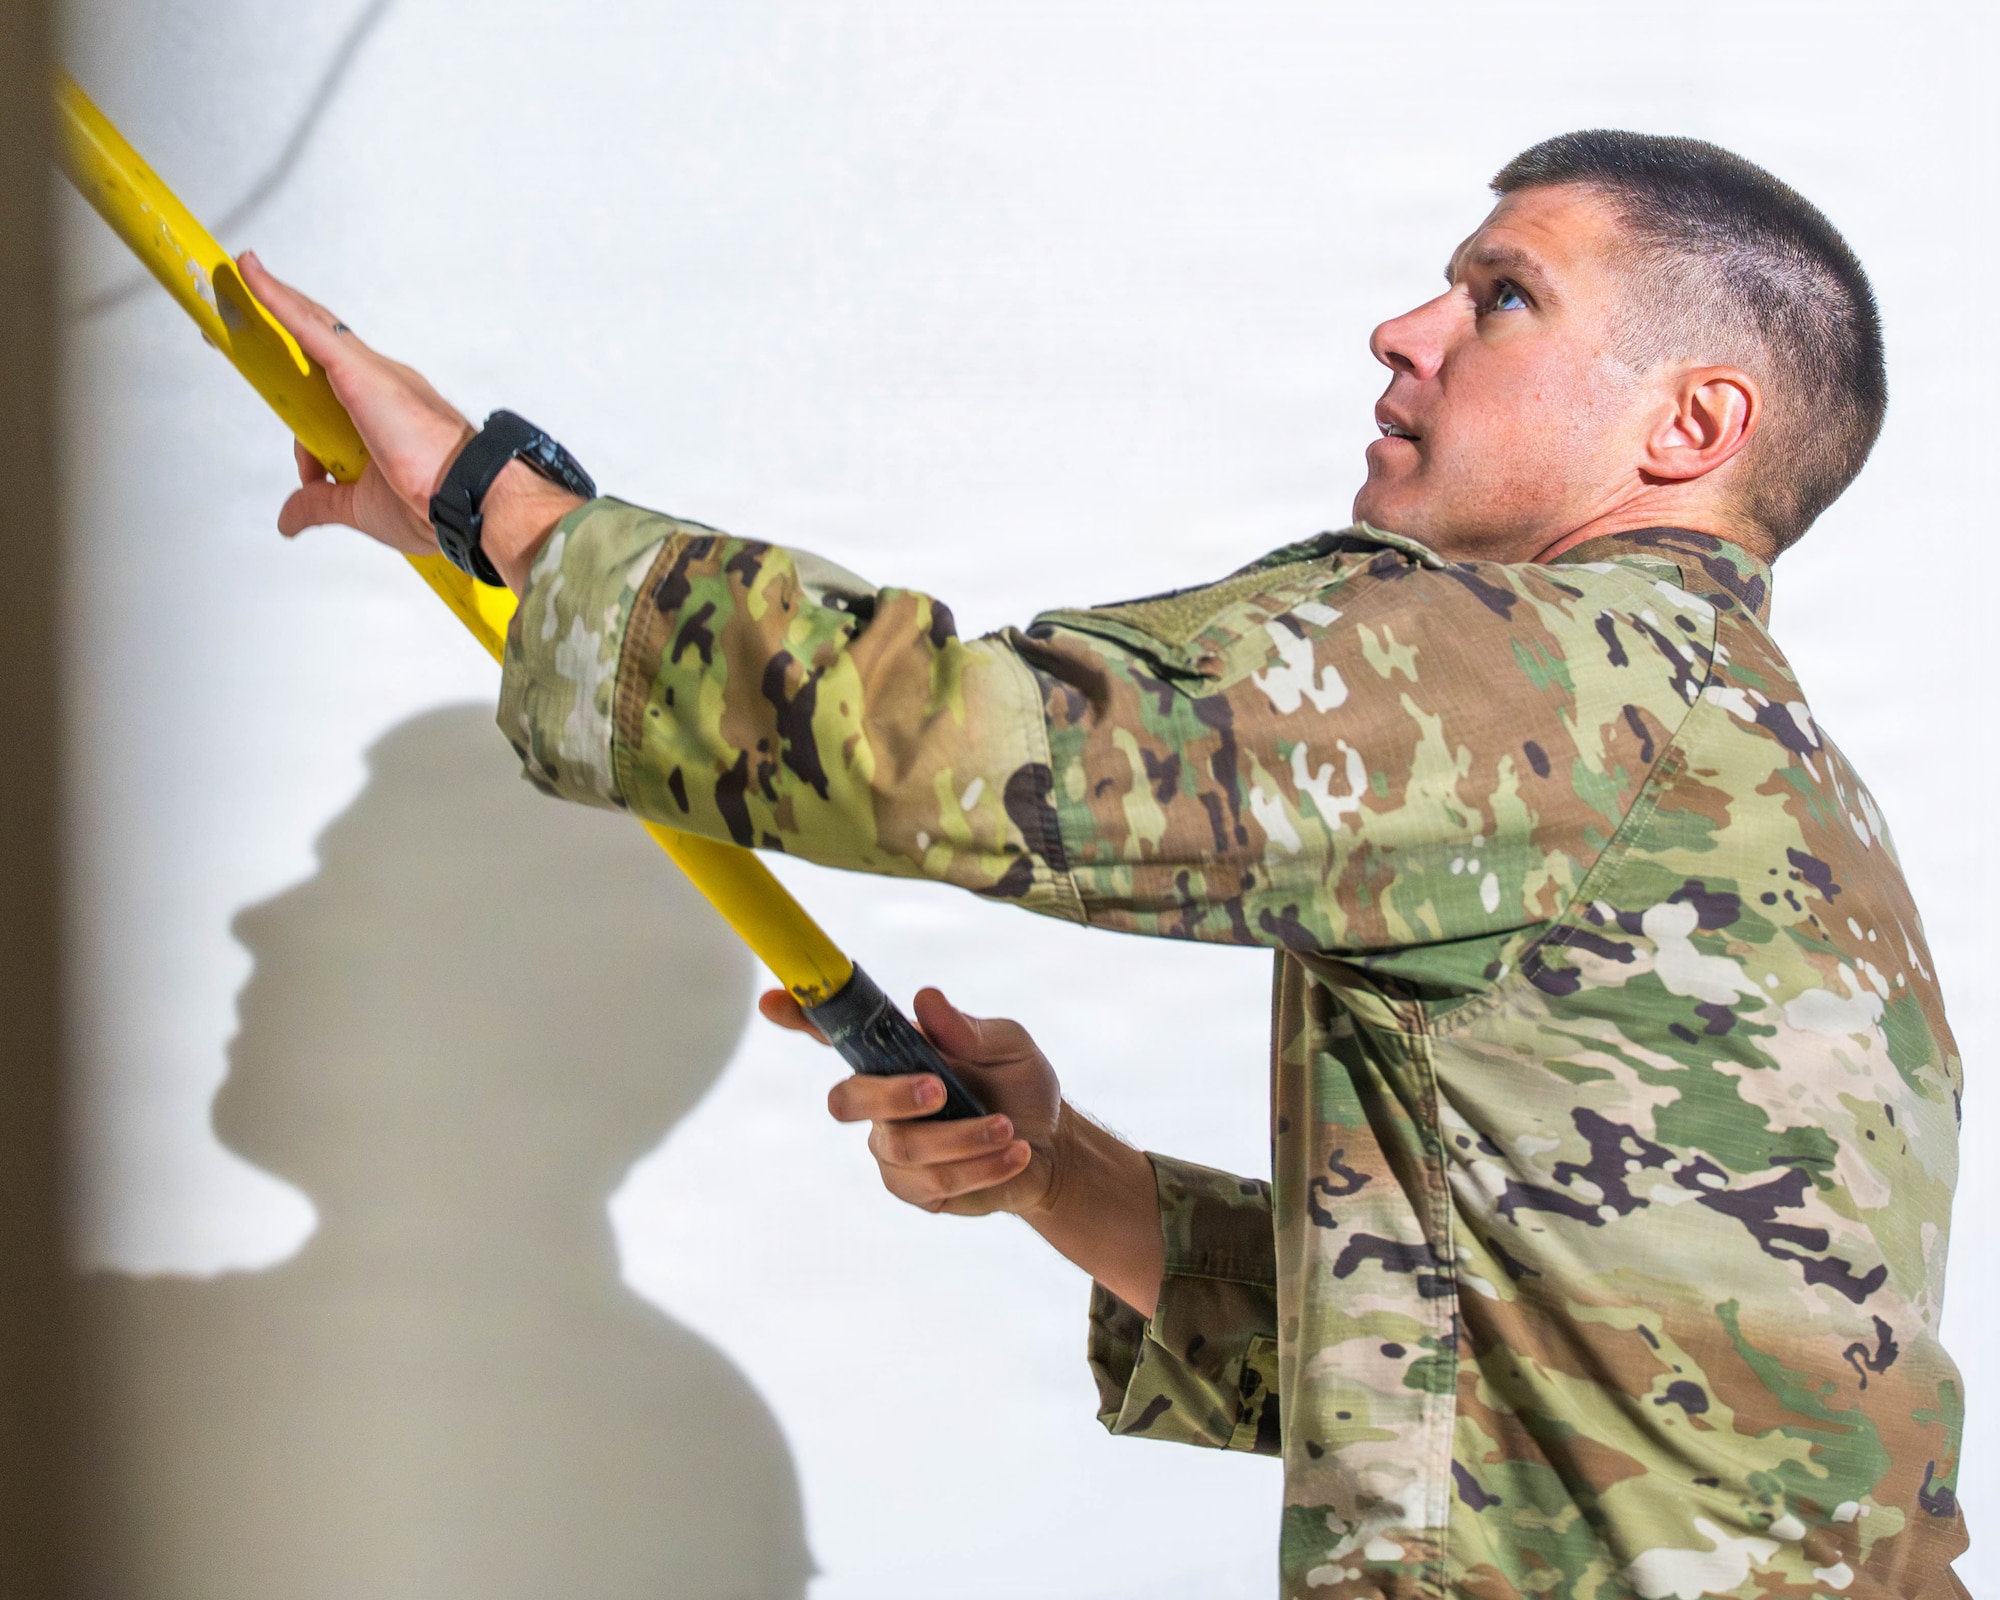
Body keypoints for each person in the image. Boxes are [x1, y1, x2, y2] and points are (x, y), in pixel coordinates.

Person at [241, 129, 1968, 1599]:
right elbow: (1510, 1367)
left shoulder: (1543, 670)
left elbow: (962, 750)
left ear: (1692, 426)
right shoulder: (1784, 791)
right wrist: (1056, 1169)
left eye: (1501, 295)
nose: (1405, 327)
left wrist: (496, 504)